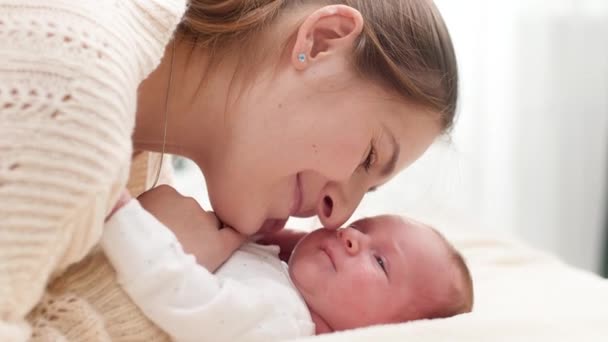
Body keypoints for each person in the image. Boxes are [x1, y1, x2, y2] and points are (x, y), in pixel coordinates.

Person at [0, 0, 458, 340]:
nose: (336, 218)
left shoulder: (142, 170)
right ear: (320, 40)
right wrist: (137, 283)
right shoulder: (73, 96)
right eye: (368, 158)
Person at [99, 189, 473, 341]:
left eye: (380, 262)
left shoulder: (282, 322)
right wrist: (262, 237)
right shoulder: (284, 286)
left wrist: (120, 212)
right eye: (360, 227)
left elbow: (179, 295)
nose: (350, 236)